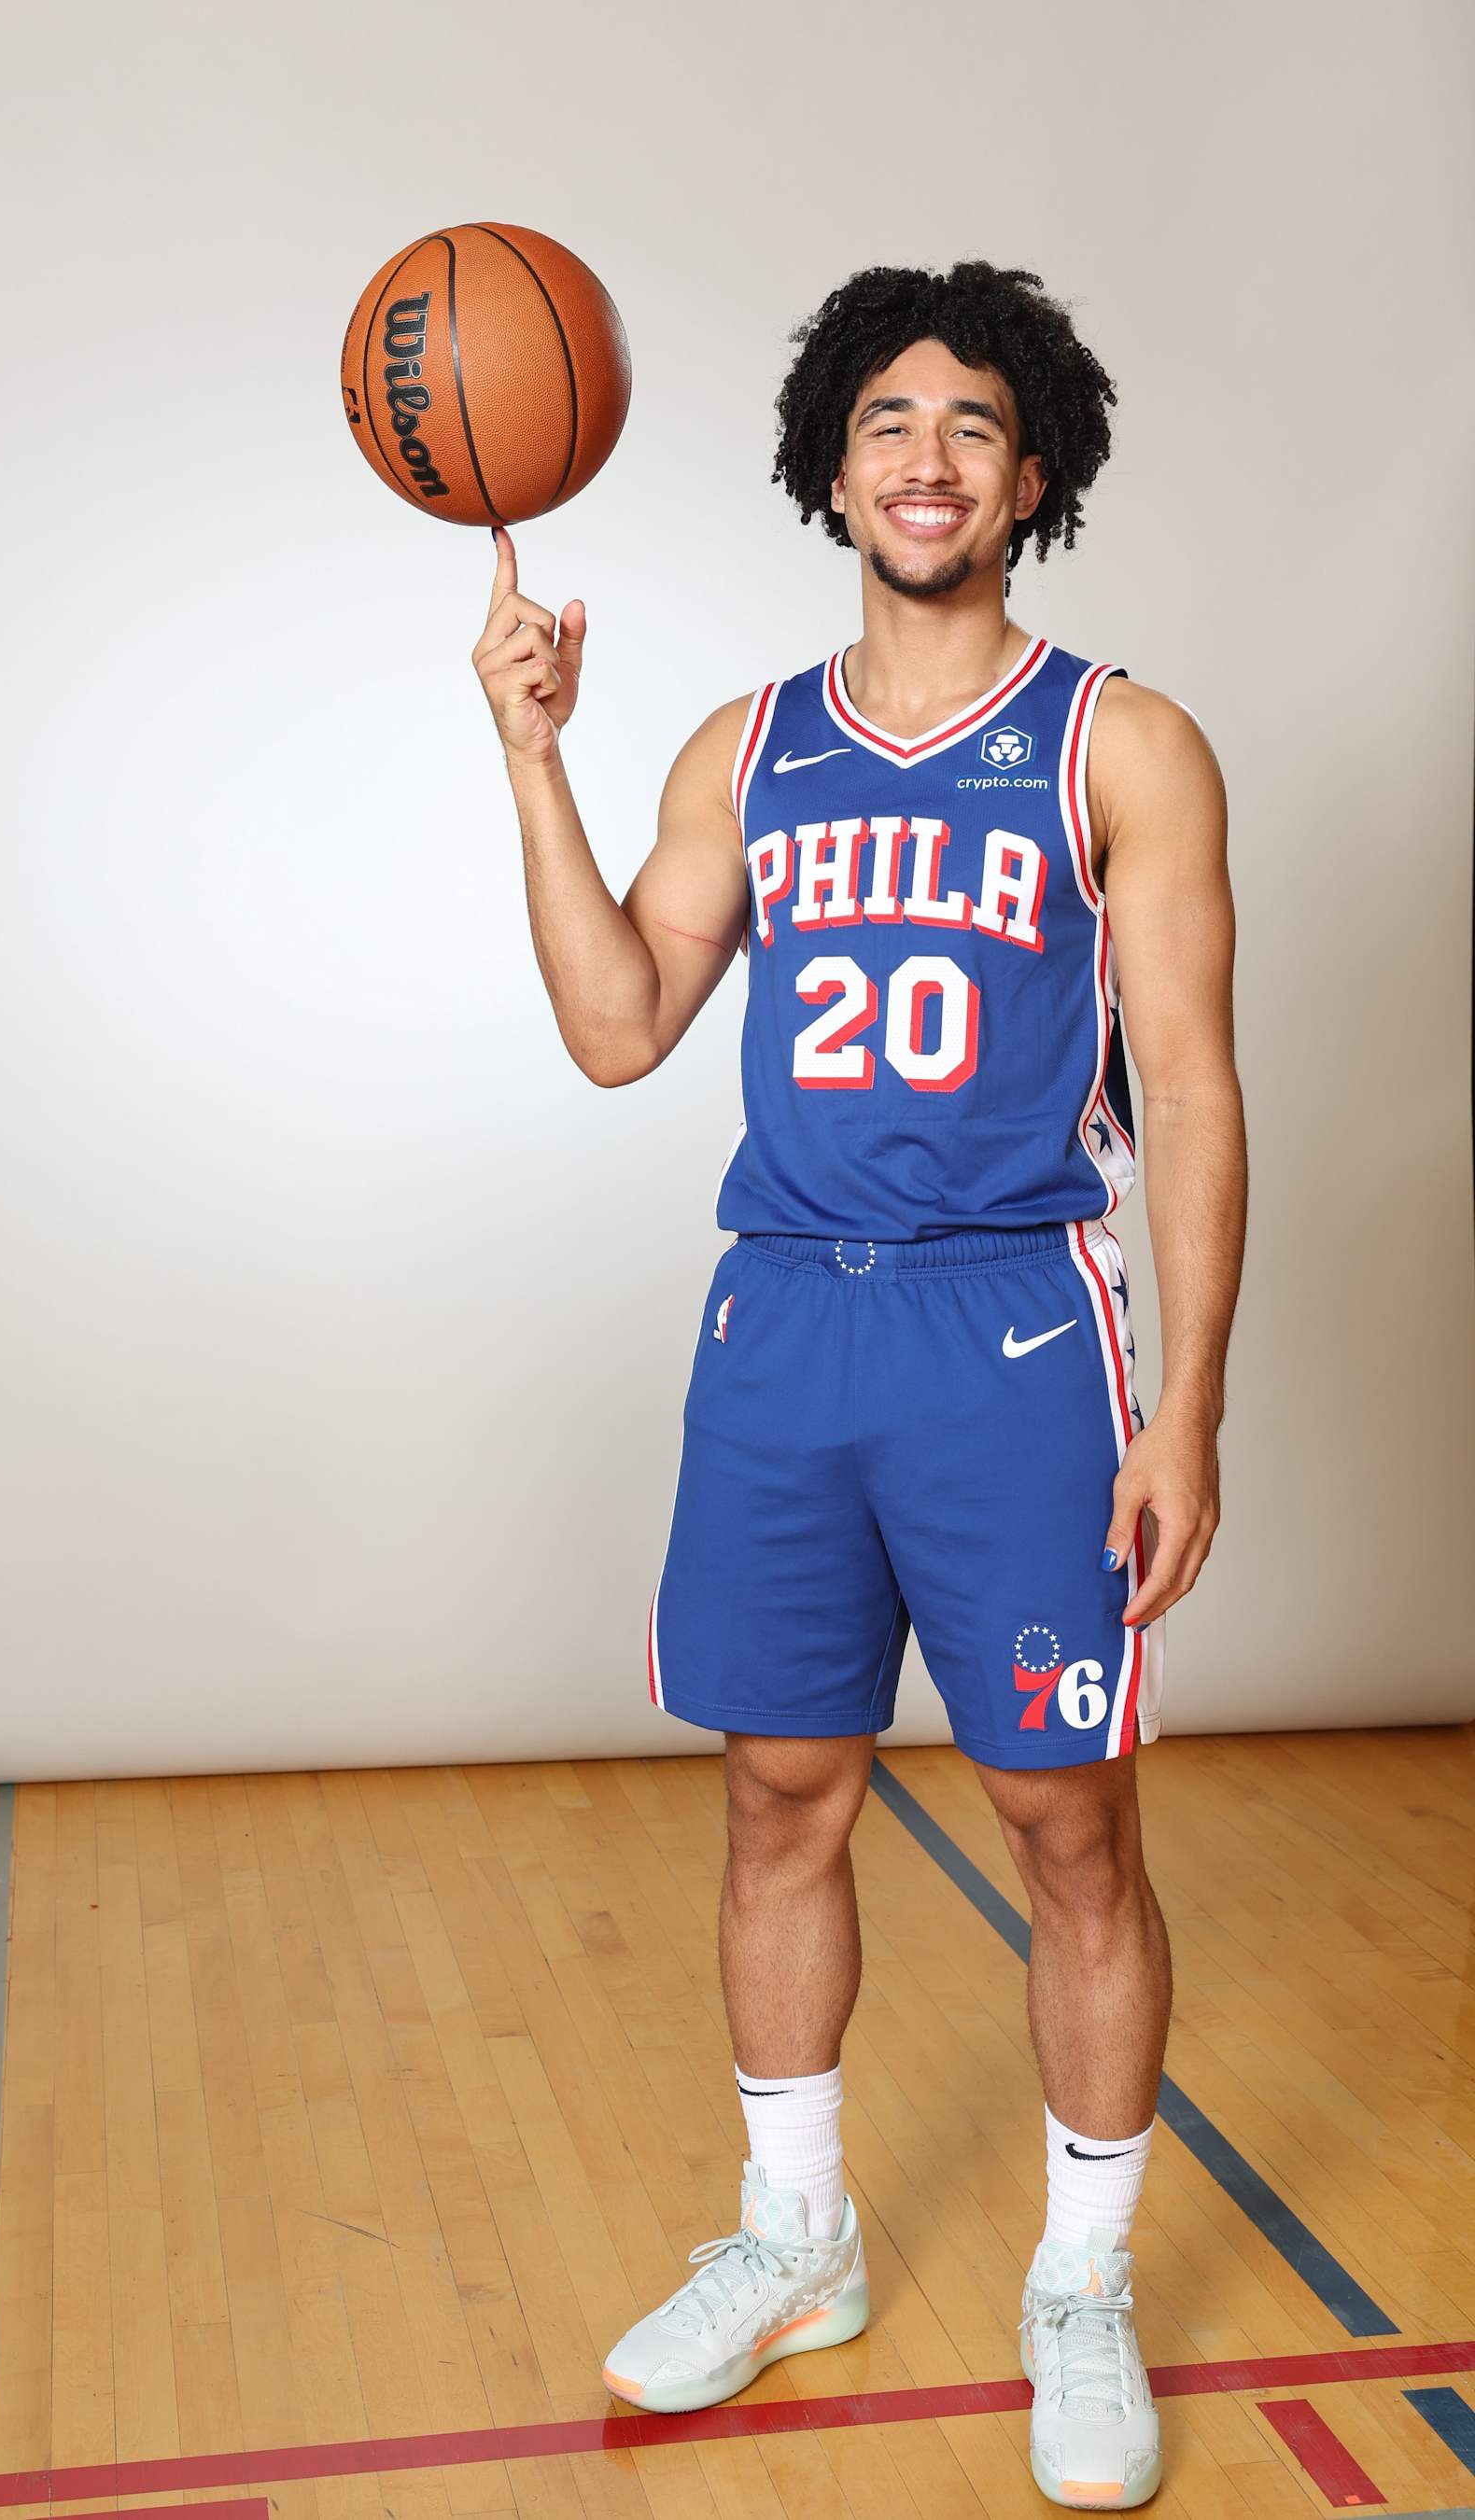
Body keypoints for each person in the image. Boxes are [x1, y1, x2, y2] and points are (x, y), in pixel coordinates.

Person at [471, 258, 1243, 2513]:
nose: (926, 458)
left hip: (1016, 1334)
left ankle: (1083, 2282)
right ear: (832, 466)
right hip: (785, 1321)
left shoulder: (1126, 741)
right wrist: (533, 754)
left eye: (973, 426)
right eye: (888, 422)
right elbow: (618, 1022)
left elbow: (1187, 1098)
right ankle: (797, 2238)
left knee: (1069, 1827)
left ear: (1035, 474)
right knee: (777, 1796)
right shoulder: (751, 744)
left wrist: (1184, 1405)